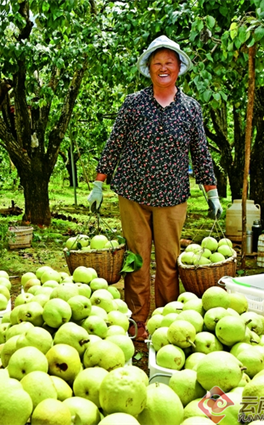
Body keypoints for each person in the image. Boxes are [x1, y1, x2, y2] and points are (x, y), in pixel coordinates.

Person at [87, 35, 222, 341]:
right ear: (148, 68)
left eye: (169, 63)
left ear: (178, 68)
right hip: (133, 192)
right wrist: (99, 183)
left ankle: (168, 322)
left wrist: (211, 191)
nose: (163, 68)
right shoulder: (133, 104)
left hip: (172, 196)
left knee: (169, 264)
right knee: (136, 261)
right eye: (157, 63)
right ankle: (137, 322)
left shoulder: (190, 108)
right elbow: (115, 144)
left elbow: (200, 152)